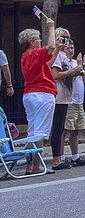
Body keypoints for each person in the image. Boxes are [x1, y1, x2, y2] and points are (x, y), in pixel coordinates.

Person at [19, 18, 58, 174]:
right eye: (37, 40)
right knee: (40, 132)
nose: (39, 42)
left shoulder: (26, 57)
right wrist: (51, 28)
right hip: (43, 94)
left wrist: (58, 50)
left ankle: (30, 164)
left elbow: (48, 60)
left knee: (33, 131)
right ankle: (37, 165)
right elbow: (50, 47)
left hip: (29, 94)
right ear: (32, 42)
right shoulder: (35, 54)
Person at [50, 32, 83, 171]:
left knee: (62, 128)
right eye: (63, 39)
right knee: (58, 129)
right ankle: (57, 158)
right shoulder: (57, 55)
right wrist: (73, 70)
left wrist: (77, 70)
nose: (66, 42)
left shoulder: (64, 57)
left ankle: (62, 158)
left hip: (66, 95)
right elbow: (56, 74)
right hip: (59, 95)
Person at [63, 43, 85, 167]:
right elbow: (68, 81)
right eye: (68, 48)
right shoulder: (65, 64)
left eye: (72, 48)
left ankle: (75, 156)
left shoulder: (76, 63)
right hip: (69, 101)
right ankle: (61, 157)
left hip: (79, 101)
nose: (71, 50)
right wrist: (79, 67)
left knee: (75, 130)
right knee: (65, 130)